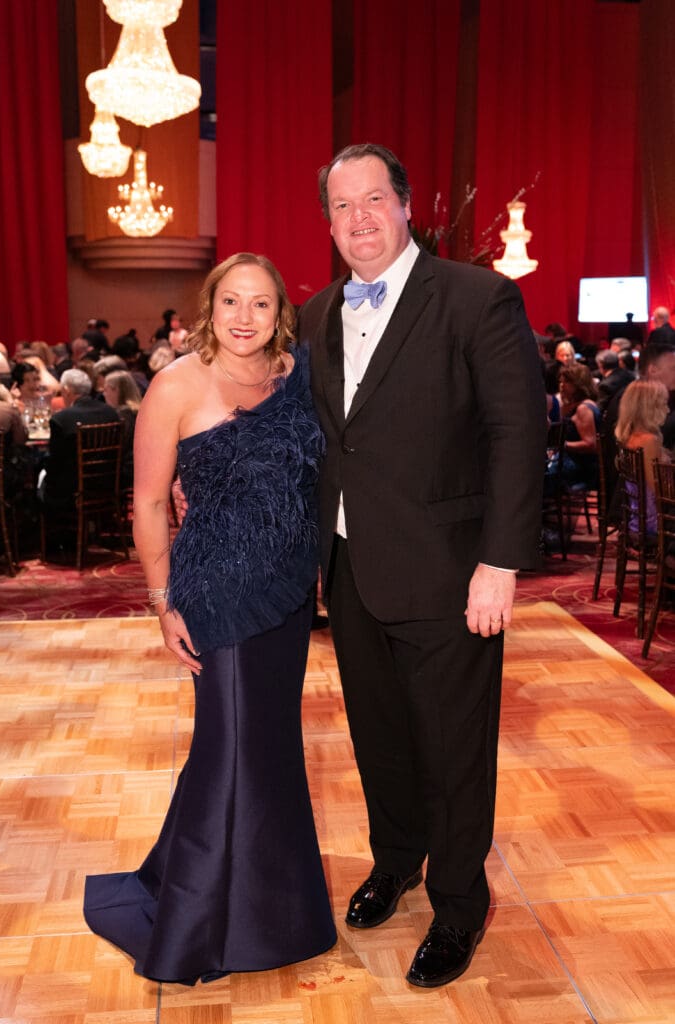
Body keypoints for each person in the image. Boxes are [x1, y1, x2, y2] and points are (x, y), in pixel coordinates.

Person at [298, 143, 546, 988]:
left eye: (374, 200)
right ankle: (396, 859)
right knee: (380, 735)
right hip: (351, 566)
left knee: (452, 746)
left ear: (406, 207)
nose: (358, 218)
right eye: (341, 206)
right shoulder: (316, 313)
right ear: (327, 221)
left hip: (450, 569)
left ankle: (457, 904)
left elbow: (518, 433)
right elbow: (322, 439)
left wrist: (500, 562)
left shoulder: (477, 297)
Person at [83, 252, 336, 984]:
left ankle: (268, 910)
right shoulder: (176, 384)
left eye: (261, 303)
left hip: (286, 593)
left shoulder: (297, 377)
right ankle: (201, 927)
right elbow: (150, 505)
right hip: (215, 593)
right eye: (231, 302)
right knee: (231, 751)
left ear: (280, 312)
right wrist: (162, 605)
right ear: (209, 307)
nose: (245, 317)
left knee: (267, 749)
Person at [40, 369, 120, 510]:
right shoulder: (111, 413)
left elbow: (54, 463)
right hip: (108, 484)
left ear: (66, 390)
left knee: (38, 478)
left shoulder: (61, 419)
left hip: (72, 490)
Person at [615, 379, 671, 535]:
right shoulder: (648, 441)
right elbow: (659, 490)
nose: (667, 410)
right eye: (664, 404)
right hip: (652, 522)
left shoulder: (632, 436)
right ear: (649, 408)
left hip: (638, 516)